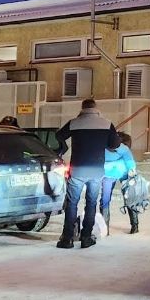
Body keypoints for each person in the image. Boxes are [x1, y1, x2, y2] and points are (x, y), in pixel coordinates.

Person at [55, 98, 118, 249]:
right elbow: (115, 144)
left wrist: (63, 148)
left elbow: (59, 135)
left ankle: (67, 238)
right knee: (91, 203)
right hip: (96, 169)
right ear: (96, 108)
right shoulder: (106, 123)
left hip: (78, 169)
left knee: (72, 203)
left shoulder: (74, 123)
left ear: (82, 108)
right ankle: (86, 237)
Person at [101, 131, 139, 234]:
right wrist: (132, 173)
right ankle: (135, 225)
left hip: (108, 174)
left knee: (105, 200)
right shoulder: (124, 149)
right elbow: (130, 163)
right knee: (129, 197)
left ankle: (105, 228)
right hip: (124, 172)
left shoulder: (102, 147)